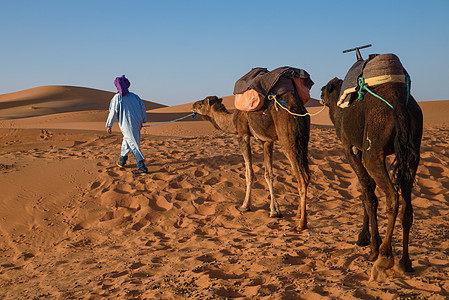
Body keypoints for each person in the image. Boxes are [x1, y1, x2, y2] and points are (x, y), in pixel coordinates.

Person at [106, 75, 149, 175]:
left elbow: (113, 112)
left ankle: (142, 167)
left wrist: (109, 125)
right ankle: (122, 160)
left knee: (133, 143)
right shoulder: (135, 96)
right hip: (136, 122)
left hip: (127, 123)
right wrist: (143, 120)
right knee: (127, 140)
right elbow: (142, 108)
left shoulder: (117, 98)